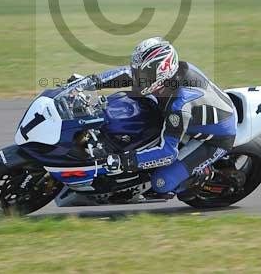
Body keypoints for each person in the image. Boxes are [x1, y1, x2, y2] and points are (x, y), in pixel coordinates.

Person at [91, 37, 237, 196]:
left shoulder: (178, 106)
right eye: (138, 70)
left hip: (215, 139)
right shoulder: (166, 76)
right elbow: (126, 73)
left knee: (161, 183)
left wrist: (123, 161)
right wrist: (92, 82)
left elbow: (167, 153)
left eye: (143, 73)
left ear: (162, 72)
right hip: (198, 113)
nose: (136, 76)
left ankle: (201, 175)